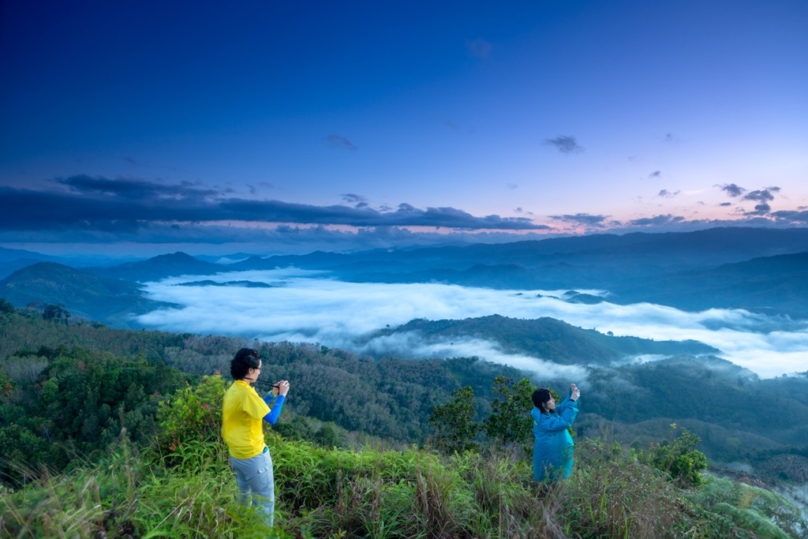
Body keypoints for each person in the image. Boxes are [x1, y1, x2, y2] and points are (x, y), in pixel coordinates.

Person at [221, 348, 289, 528]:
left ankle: (241, 530)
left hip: (237, 456)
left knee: (244, 500)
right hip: (254, 458)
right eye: (259, 370)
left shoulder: (235, 389)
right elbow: (271, 418)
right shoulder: (247, 393)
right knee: (265, 504)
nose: (260, 373)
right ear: (250, 371)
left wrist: (271, 394)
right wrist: (282, 396)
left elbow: (254, 409)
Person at [531, 383, 580, 483]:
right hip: (551, 455)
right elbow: (564, 422)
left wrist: (571, 396)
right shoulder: (543, 421)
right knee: (550, 480)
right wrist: (572, 400)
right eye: (550, 398)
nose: (553, 400)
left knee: (557, 478)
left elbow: (562, 408)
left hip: (557, 453)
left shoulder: (548, 413)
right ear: (543, 403)